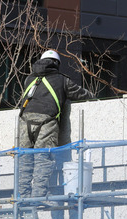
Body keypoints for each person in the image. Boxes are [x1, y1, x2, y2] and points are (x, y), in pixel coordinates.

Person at [18, 50, 95, 199]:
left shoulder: (29, 79)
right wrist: (94, 97)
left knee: (25, 159)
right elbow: (80, 93)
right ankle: (39, 195)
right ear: (56, 64)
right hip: (46, 121)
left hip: (24, 121)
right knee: (43, 158)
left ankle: (23, 195)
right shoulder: (62, 80)